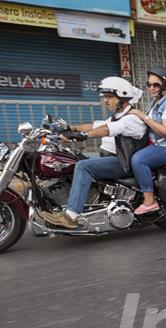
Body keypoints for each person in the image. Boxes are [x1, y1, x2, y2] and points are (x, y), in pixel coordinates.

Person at [39, 77, 146, 229]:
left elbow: (107, 130)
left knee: (83, 166)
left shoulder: (132, 119)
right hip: (114, 158)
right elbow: (95, 125)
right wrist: (71, 129)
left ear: (122, 97)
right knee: (74, 160)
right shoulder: (118, 116)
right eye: (105, 98)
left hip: (123, 162)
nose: (106, 101)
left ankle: (71, 215)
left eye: (109, 97)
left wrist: (83, 136)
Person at [126, 66, 166, 215]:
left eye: (156, 85)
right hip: (157, 144)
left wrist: (143, 116)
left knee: (138, 160)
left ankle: (149, 201)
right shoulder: (154, 103)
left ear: (165, 86)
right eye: (149, 84)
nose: (151, 88)